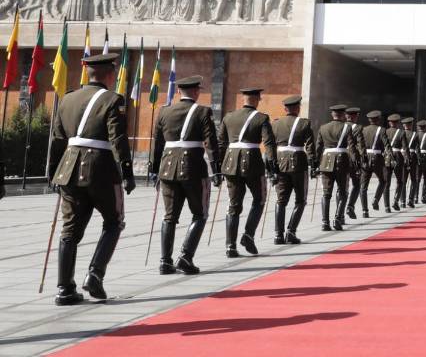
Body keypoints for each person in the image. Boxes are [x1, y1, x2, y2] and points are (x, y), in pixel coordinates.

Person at [47, 53, 135, 304]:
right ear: (110, 75)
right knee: (114, 222)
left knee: (69, 230)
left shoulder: (67, 99)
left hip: (68, 170)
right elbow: (118, 138)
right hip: (101, 170)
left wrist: (53, 173)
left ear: (88, 73)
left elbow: (57, 139)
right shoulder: (113, 99)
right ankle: (95, 274)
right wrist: (127, 172)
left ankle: (64, 289)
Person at [149, 75, 220, 274]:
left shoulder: (164, 111)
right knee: (200, 213)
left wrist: (154, 170)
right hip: (193, 168)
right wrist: (216, 169)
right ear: (196, 91)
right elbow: (210, 142)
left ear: (179, 91)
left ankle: (165, 261)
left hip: (167, 167)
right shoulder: (203, 111)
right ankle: (186, 257)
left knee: (169, 216)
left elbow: (157, 143)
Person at [218, 87, 278, 257]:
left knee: (234, 205)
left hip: (231, 163)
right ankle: (248, 235)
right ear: (257, 99)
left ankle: (230, 246)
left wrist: (219, 167)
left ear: (243, 99)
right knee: (259, 199)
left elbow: (221, 143)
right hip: (253, 163)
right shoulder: (261, 118)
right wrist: (272, 167)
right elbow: (269, 143)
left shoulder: (229, 117)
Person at [270, 95, 315, 244]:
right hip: (298, 163)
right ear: (298, 108)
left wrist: (270, 167)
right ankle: (291, 232)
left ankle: (278, 235)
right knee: (300, 200)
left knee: (281, 200)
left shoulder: (276, 124)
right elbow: (310, 146)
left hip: (280, 162)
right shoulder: (304, 123)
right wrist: (313, 164)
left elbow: (270, 145)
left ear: (285, 109)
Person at [315, 104, 356, 231]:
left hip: (326, 160)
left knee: (326, 193)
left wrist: (315, 164)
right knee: (343, 191)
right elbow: (351, 146)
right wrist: (355, 162)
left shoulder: (323, 127)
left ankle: (325, 222)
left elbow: (318, 147)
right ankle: (338, 218)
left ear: (332, 114)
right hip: (342, 160)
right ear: (343, 115)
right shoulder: (347, 127)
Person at [361, 110, 391, 213]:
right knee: (383, 181)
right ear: (378, 119)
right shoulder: (381, 130)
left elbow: (359, 144)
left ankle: (365, 211)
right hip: (377, 158)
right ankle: (376, 199)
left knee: (363, 186)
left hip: (365, 157)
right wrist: (391, 157)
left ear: (369, 120)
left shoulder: (363, 130)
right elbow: (387, 145)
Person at [344, 107, 368, 218]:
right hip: (354, 160)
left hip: (341, 157)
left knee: (342, 188)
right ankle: (350, 206)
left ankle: (340, 216)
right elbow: (361, 145)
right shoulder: (358, 128)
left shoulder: (341, 126)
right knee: (356, 184)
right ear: (354, 116)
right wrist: (364, 159)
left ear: (346, 116)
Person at [384, 114, 408, 211]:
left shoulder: (385, 131)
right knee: (400, 181)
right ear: (397, 123)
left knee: (386, 183)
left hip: (387, 156)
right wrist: (407, 159)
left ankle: (387, 207)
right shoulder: (401, 132)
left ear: (389, 123)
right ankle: (395, 201)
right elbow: (405, 147)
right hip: (398, 156)